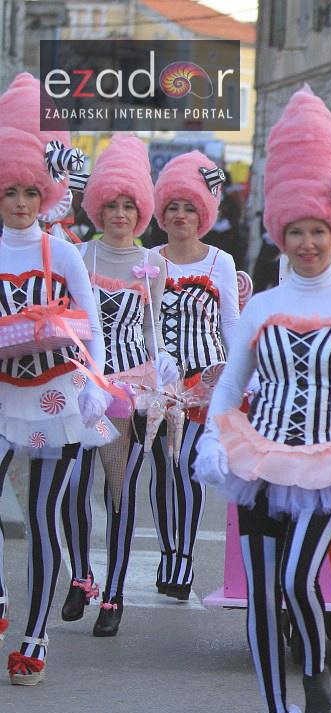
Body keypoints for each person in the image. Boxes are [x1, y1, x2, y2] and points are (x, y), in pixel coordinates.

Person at [194, 87, 331, 713]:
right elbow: (231, 382)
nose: (308, 243)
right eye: (296, 232)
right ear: (280, 233)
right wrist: (217, 435)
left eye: (319, 230)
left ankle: (312, 667)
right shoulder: (265, 303)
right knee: (259, 591)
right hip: (260, 455)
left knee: (299, 580)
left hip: (329, 458)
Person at [0, 73, 112, 685]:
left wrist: (93, 382)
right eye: (9, 190)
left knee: (43, 514)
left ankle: (36, 636)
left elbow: (92, 326)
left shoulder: (62, 251)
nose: (19, 202)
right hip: (1, 391)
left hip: (59, 396)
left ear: (44, 192)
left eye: (28, 191)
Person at [59, 134, 177, 637]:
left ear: (142, 210)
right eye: (112, 204)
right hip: (79, 385)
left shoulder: (155, 264)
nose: (121, 214)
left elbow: (152, 329)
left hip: (130, 392)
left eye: (130, 205)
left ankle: (114, 595)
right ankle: (82, 575)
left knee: (120, 492)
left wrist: (164, 359)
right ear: (97, 206)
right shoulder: (77, 257)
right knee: (71, 489)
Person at [149, 150, 241, 599]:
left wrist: (238, 377)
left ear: (202, 213)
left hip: (203, 382)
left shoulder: (219, 262)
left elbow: (232, 325)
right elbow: (136, 321)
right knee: (160, 467)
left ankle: (183, 560)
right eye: (173, 207)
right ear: (160, 211)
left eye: (189, 207)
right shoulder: (146, 259)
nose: (180, 215)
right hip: (157, 383)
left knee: (185, 464)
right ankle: (167, 551)